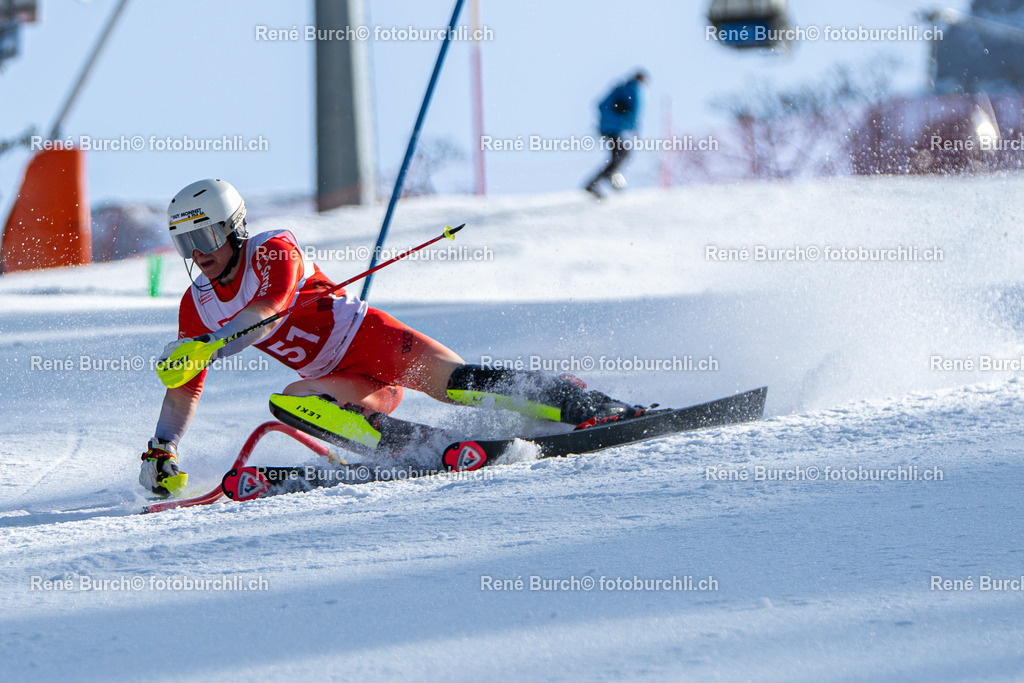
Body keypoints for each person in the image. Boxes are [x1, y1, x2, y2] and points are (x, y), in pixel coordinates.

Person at [140, 179, 646, 496]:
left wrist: (211, 344)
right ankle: (418, 448)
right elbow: (186, 386)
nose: (198, 253)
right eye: (187, 242)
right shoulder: (197, 304)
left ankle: (588, 403)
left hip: (371, 340)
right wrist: (162, 448)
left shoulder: (274, 249)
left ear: (234, 229)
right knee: (290, 403)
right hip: (339, 380)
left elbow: (267, 314)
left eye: (205, 237)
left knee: (459, 384)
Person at [584, 70, 648, 198]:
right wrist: (633, 128)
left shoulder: (619, 88)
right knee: (622, 154)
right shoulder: (635, 90)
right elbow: (635, 113)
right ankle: (601, 180)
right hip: (616, 128)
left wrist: (607, 118)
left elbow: (600, 104)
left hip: (605, 127)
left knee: (617, 155)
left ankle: (602, 180)